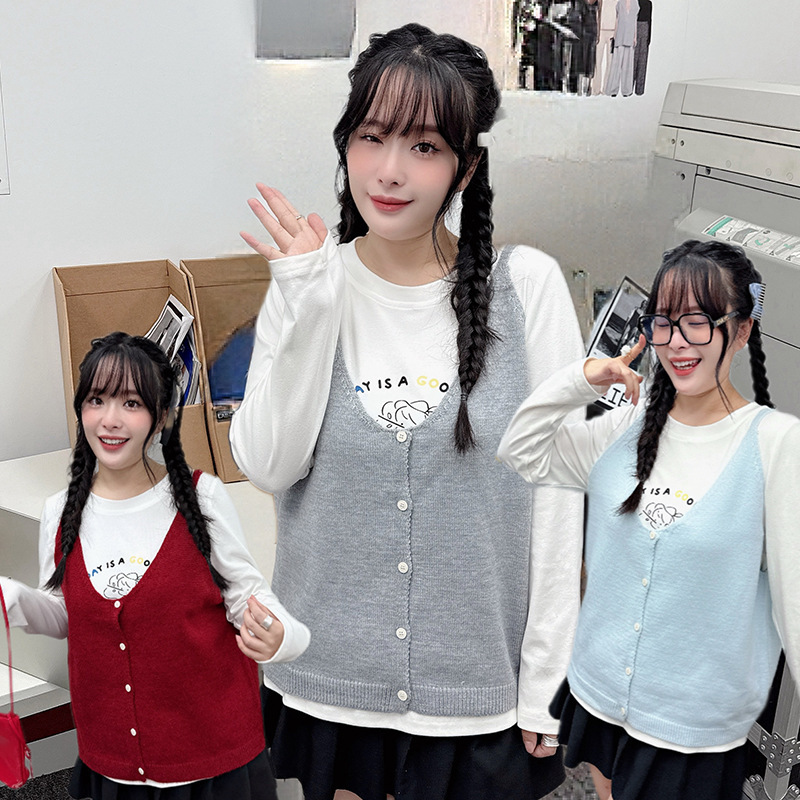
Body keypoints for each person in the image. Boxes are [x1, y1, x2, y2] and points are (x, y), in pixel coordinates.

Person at [231, 21, 584, 800]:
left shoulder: (526, 289)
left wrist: (547, 677)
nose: (390, 171)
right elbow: (267, 465)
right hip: (331, 682)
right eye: (372, 137)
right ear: (346, 144)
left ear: (467, 166)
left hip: (477, 688)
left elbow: (559, 500)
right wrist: (305, 299)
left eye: (424, 146)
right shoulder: (309, 281)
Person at [498, 239, 800, 800]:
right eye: (663, 322)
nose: (676, 342)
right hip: (601, 694)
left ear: (741, 330)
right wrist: (583, 379)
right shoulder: (628, 427)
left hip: (693, 727)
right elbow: (520, 450)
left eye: (698, 323)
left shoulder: (778, 446)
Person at [0, 332, 310, 800]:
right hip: (114, 761)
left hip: (212, 762)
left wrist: (283, 636)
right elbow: (68, 614)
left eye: (131, 403)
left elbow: (246, 596)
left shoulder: (202, 498)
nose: (110, 419)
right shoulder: (60, 512)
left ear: (161, 416)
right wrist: (13, 598)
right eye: (97, 400)